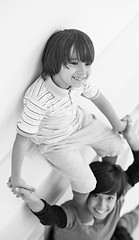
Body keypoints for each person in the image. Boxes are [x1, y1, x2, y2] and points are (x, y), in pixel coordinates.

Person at [10, 29, 129, 224]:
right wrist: (16, 178)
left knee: (116, 145)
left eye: (87, 63)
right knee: (86, 182)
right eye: (74, 63)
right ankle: (82, 208)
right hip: (56, 142)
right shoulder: (39, 98)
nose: (83, 71)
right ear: (55, 62)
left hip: (79, 122)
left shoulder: (79, 80)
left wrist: (118, 124)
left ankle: (103, 184)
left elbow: (99, 98)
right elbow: (21, 140)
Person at [8, 121, 139, 240]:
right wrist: (131, 137)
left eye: (109, 198)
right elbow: (52, 216)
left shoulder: (116, 193)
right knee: (110, 157)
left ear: (116, 196)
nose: (102, 205)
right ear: (85, 195)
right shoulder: (75, 213)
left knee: (110, 169)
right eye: (96, 196)